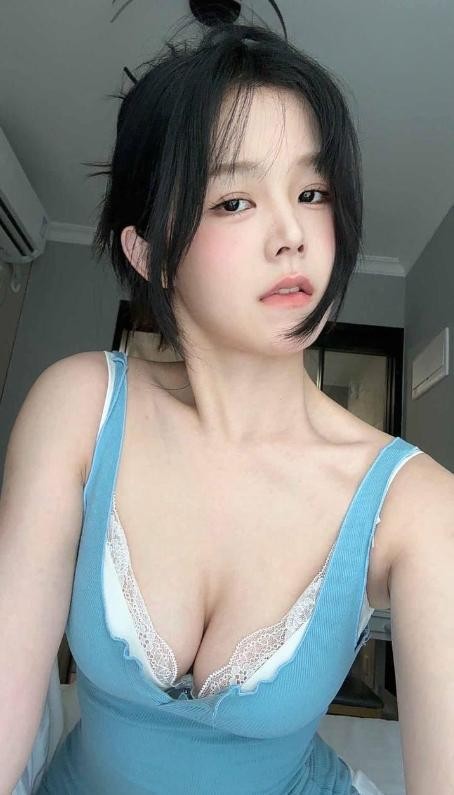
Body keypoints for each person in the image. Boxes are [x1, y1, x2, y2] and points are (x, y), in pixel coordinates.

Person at [2, 18, 452, 795]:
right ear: (150, 254)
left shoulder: (417, 506)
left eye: (312, 192)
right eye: (235, 200)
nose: (293, 234)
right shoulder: (79, 407)